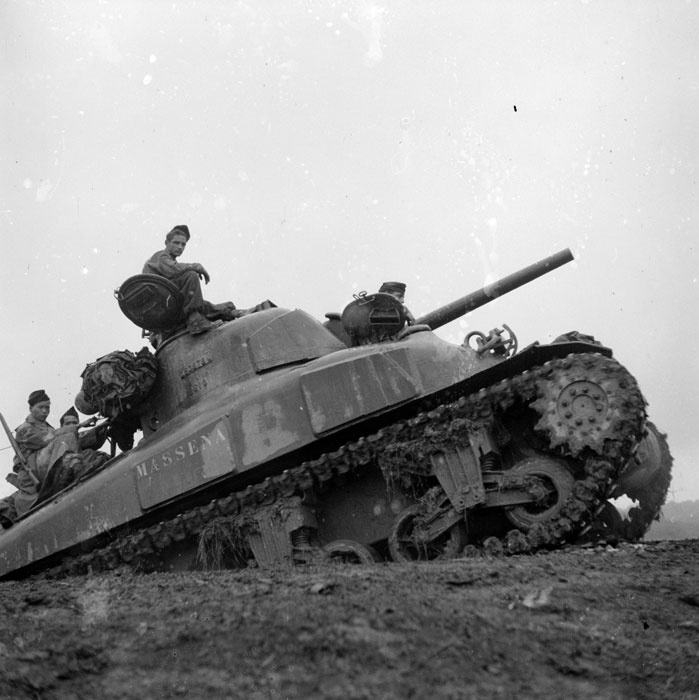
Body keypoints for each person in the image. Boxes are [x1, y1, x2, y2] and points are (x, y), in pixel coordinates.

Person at [142, 225, 237, 335]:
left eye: (183, 244)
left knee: (199, 303)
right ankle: (195, 322)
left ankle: (231, 312)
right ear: (166, 243)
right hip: (161, 304)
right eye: (176, 243)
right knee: (191, 276)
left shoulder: (166, 260)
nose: (180, 247)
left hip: (165, 304)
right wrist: (196, 266)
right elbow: (173, 269)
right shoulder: (160, 256)